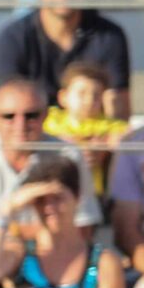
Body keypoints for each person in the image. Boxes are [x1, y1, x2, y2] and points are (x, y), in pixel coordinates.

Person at [0, 78, 104, 258]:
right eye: (9, 116)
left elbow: (82, 232)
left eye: (31, 115)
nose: (20, 125)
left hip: (51, 267)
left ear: (45, 116)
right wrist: (40, 232)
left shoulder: (69, 154)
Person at [0, 150, 130, 288]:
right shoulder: (21, 255)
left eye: (58, 198)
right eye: (40, 201)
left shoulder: (102, 263)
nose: (49, 208)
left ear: (77, 197)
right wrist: (8, 210)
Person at [0, 0, 133, 114]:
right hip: (33, 137)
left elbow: (120, 104)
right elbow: (10, 108)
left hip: (94, 136)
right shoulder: (13, 37)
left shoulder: (110, 35)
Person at [48, 61, 129, 201]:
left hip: (93, 195)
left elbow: (125, 133)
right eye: (82, 93)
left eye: (96, 95)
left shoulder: (106, 125)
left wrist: (106, 146)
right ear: (63, 97)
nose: (89, 100)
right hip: (55, 189)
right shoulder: (52, 119)